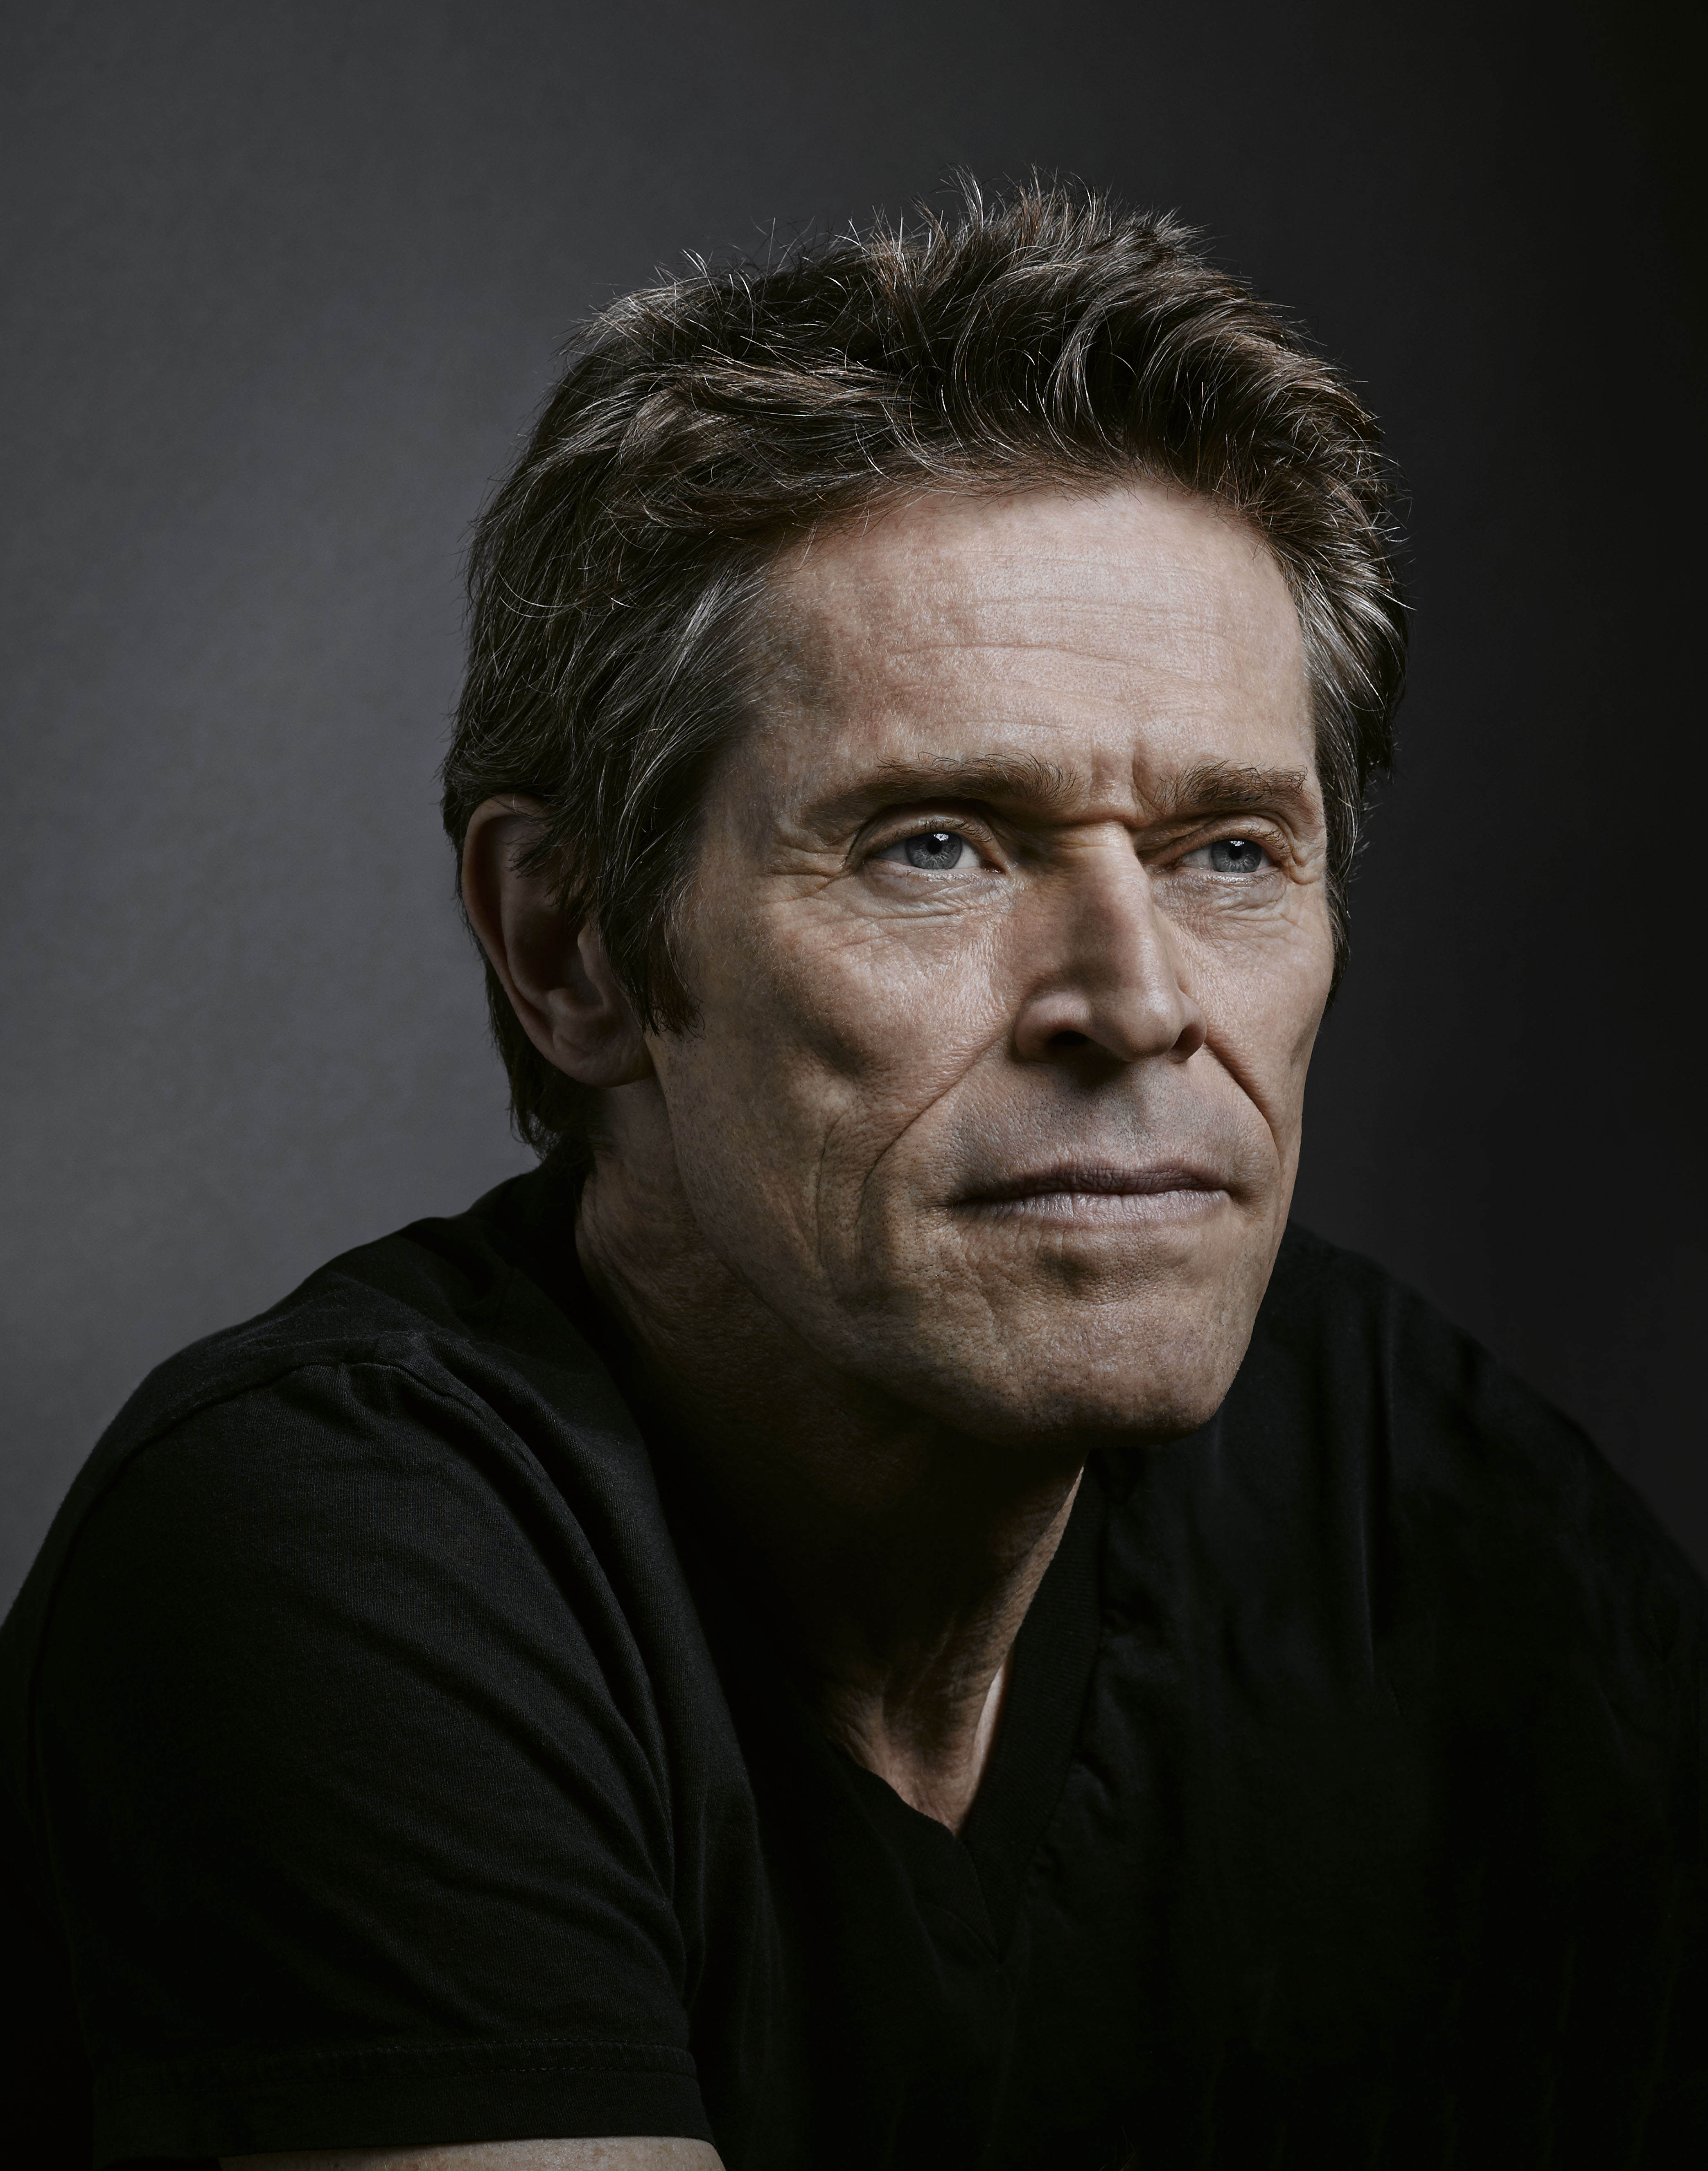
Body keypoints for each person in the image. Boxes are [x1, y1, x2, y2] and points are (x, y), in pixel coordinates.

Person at [2, 184, 1701, 2171]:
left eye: (1231, 851)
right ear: (572, 947)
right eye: (936, 846)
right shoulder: (334, 1552)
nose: (1138, 1000)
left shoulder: (1414, 1493)